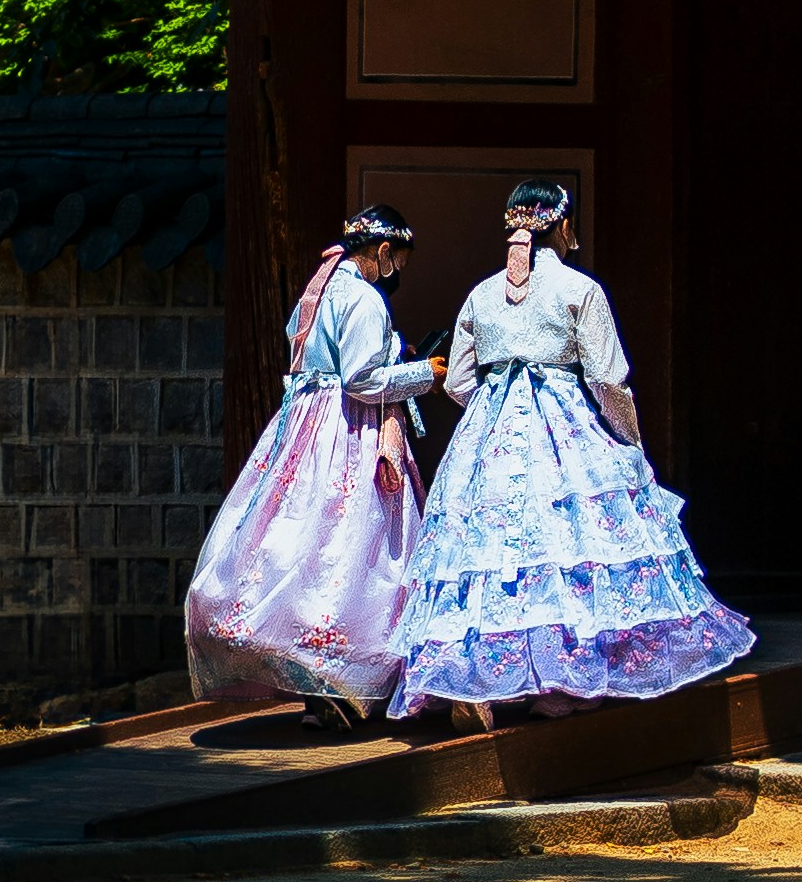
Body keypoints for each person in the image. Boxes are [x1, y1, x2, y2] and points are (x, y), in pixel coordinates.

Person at [392, 180, 755, 718]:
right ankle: (564, 681)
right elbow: (608, 379)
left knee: (489, 554)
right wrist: (628, 437)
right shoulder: (579, 289)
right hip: (561, 427)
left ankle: (470, 678)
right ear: (562, 226)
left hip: (492, 433)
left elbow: (458, 381)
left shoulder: (481, 295)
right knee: (565, 547)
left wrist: (499, 411)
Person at [183, 203, 439, 720]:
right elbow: (362, 380)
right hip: (345, 430)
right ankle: (342, 679)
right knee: (353, 547)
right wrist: (423, 374)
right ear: (383, 253)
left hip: (300, 429)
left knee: (298, 539)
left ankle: (316, 684)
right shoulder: (364, 298)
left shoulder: (315, 291)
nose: (397, 274)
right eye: (398, 263)